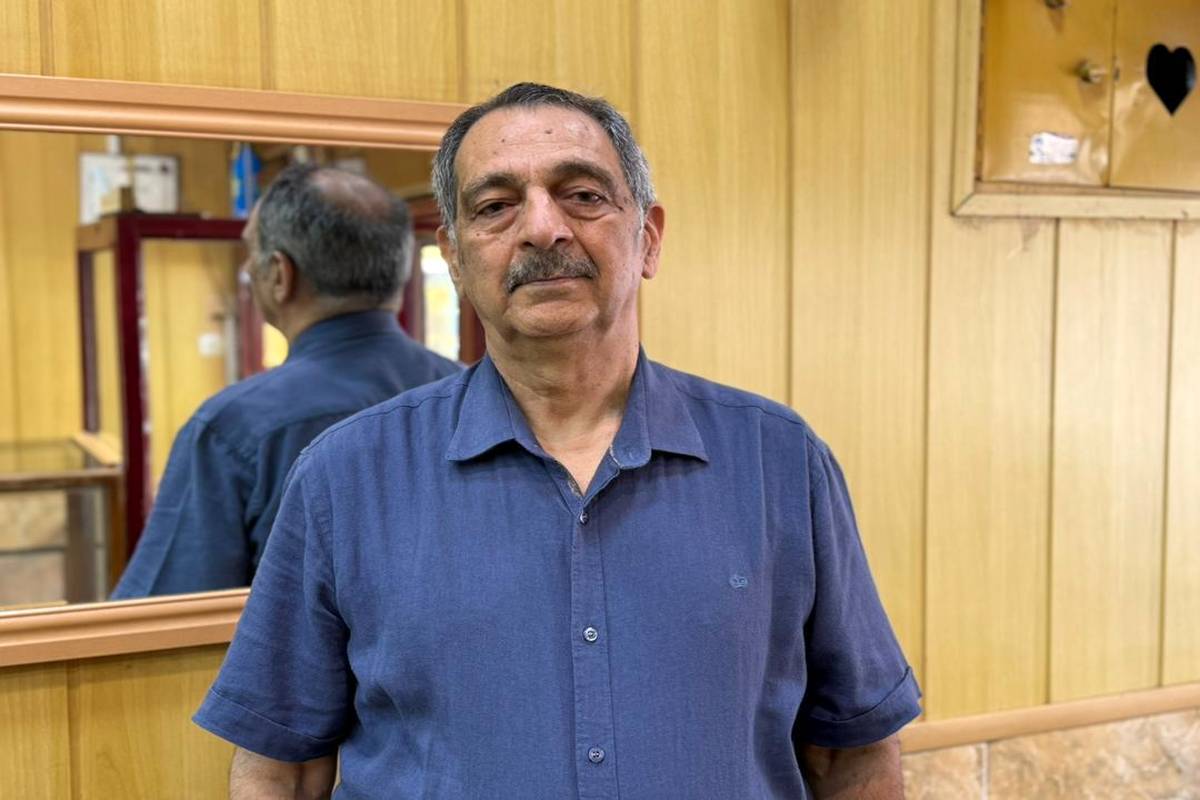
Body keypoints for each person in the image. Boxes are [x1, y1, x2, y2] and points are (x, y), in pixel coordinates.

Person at [194, 84, 920, 798]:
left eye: (583, 195)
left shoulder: (779, 462)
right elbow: (282, 770)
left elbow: (853, 759)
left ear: (649, 238)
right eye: (495, 206)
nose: (543, 229)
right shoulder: (346, 477)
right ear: (454, 257)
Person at [111, 164, 460, 598]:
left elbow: (158, 614)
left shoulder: (235, 428)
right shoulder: (471, 393)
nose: (248, 269)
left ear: (279, 274)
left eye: (251, 255)